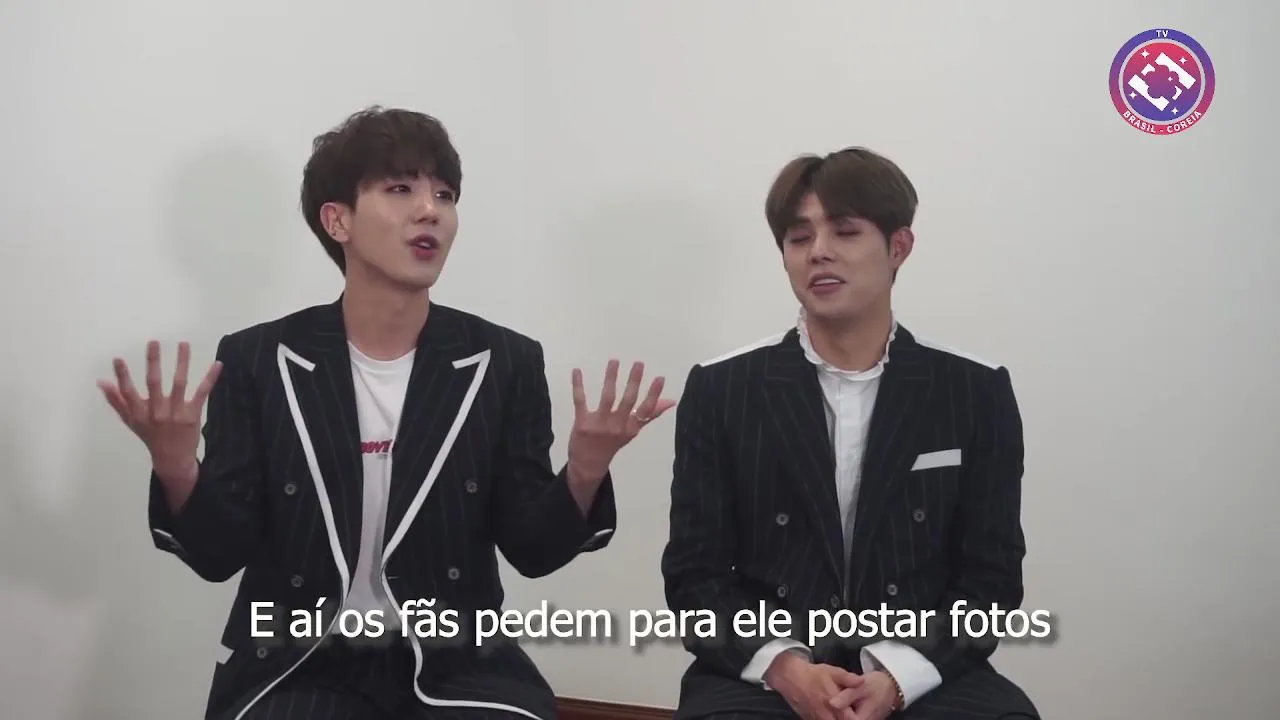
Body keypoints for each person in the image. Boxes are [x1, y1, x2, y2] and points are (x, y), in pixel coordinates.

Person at [97, 106, 674, 720]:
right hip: (298, 660)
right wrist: (177, 467)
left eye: (444, 195)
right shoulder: (259, 359)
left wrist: (583, 471)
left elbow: (531, 550)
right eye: (400, 189)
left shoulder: (502, 361)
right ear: (337, 220)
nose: (430, 210)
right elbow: (219, 555)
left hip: (458, 660)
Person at [661, 147, 1039, 720]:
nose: (819, 251)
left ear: (898, 247)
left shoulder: (974, 390)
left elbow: (991, 577)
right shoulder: (722, 389)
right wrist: (784, 668)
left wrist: (898, 677)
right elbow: (695, 577)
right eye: (798, 237)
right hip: (768, 668)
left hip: (923, 666)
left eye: (844, 231)